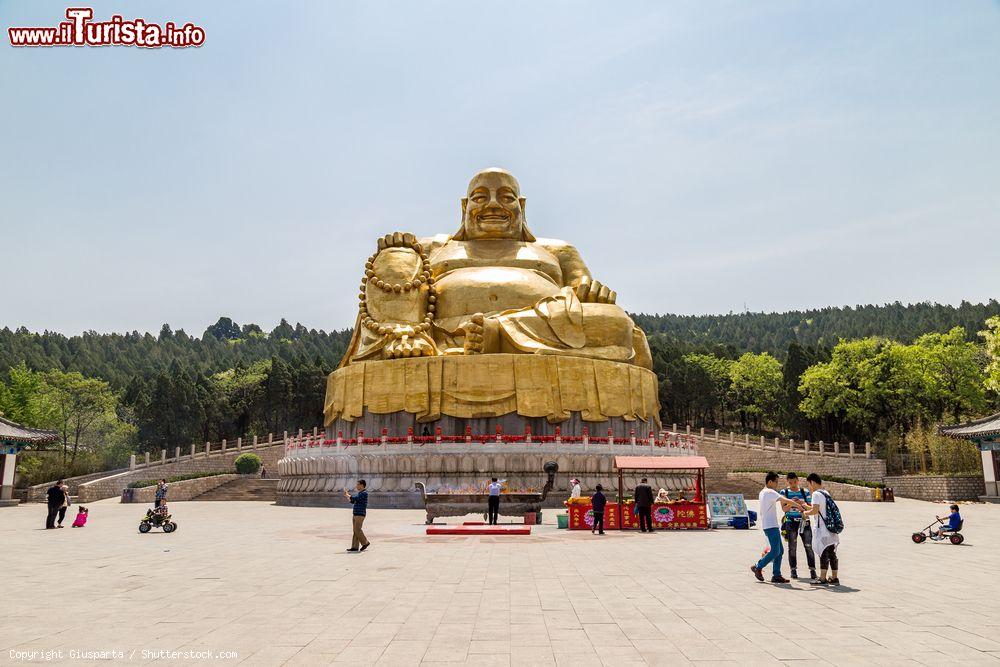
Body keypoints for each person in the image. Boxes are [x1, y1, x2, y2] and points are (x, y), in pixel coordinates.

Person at [750, 472, 806, 584]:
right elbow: (785, 500)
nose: (777, 484)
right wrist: (798, 505)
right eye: (776, 482)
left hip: (769, 525)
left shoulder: (762, 492)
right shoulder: (770, 492)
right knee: (776, 551)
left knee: (780, 551)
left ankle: (776, 575)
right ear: (770, 481)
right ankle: (758, 566)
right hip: (771, 526)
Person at [801, 473, 841, 586]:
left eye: (809, 484)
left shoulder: (816, 494)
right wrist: (806, 506)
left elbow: (814, 511)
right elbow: (819, 510)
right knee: (832, 553)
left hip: (822, 530)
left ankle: (822, 578)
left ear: (812, 482)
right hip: (830, 528)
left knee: (823, 553)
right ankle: (834, 578)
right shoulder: (825, 493)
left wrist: (805, 513)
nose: (809, 487)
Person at [780, 473, 817, 580]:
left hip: (804, 522)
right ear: (787, 481)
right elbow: (784, 509)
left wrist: (801, 503)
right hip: (790, 522)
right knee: (792, 547)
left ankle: (812, 570)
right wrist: (792, 503)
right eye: (790, 483)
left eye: (795, 482)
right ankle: (793, 570)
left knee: (809, 546)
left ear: (798, 480)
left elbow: (811, 508)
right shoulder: (784, 492)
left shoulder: (804, 492)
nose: (793, 485)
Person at [344, 479, 370, 552]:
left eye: (358, 484)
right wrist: (347, 496)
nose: (356, 486)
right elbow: (352, 501)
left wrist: (349, 495)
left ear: (362, 485)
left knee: (357, 529)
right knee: (355, 530)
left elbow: (356, 499)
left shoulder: (364, 493)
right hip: (355, 514)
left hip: (360, 514)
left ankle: (365, 542)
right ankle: (355, 547)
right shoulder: (360, 493)